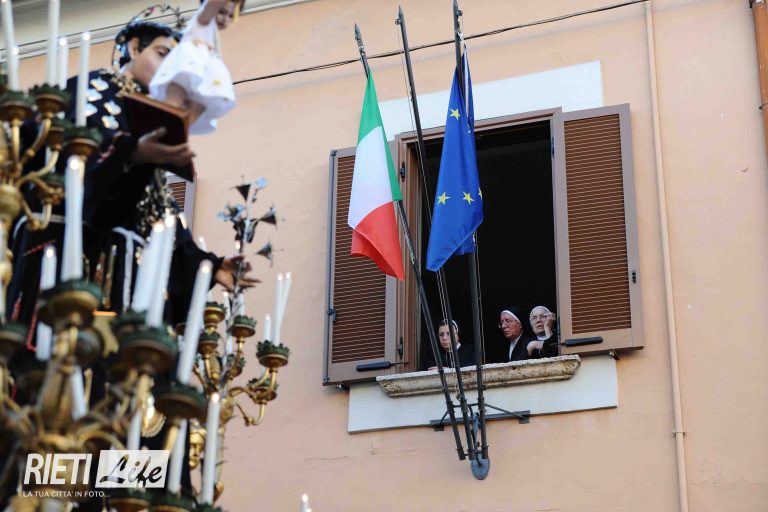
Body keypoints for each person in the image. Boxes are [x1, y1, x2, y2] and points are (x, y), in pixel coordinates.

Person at [149, 0, 244, 134]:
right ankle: (157, 129)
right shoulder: (203, 20)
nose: (225, 19)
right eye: (222, 12)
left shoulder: (213, 35)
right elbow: (211, 5)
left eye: (231, 16)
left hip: (204, 72)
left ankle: (173, 134)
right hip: (188, 64)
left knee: (199, 108)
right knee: (175, 99)